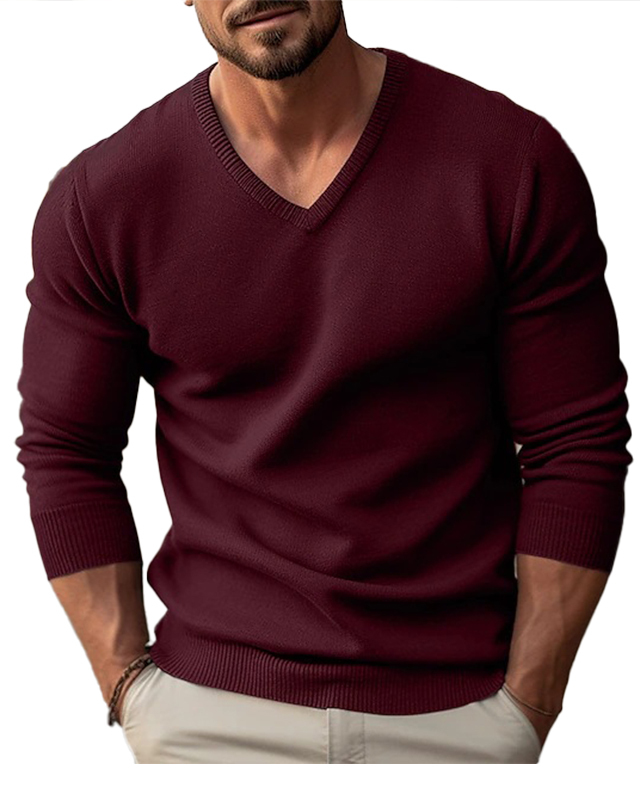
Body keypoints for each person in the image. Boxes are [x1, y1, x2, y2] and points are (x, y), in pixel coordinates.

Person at [15, 0, 633, 764]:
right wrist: (129, 689)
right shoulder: (104, 198)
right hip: (206, 715)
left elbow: (576, 439)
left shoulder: (509, 161)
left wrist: (528, 704)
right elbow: (67, 450)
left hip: (459, 712)